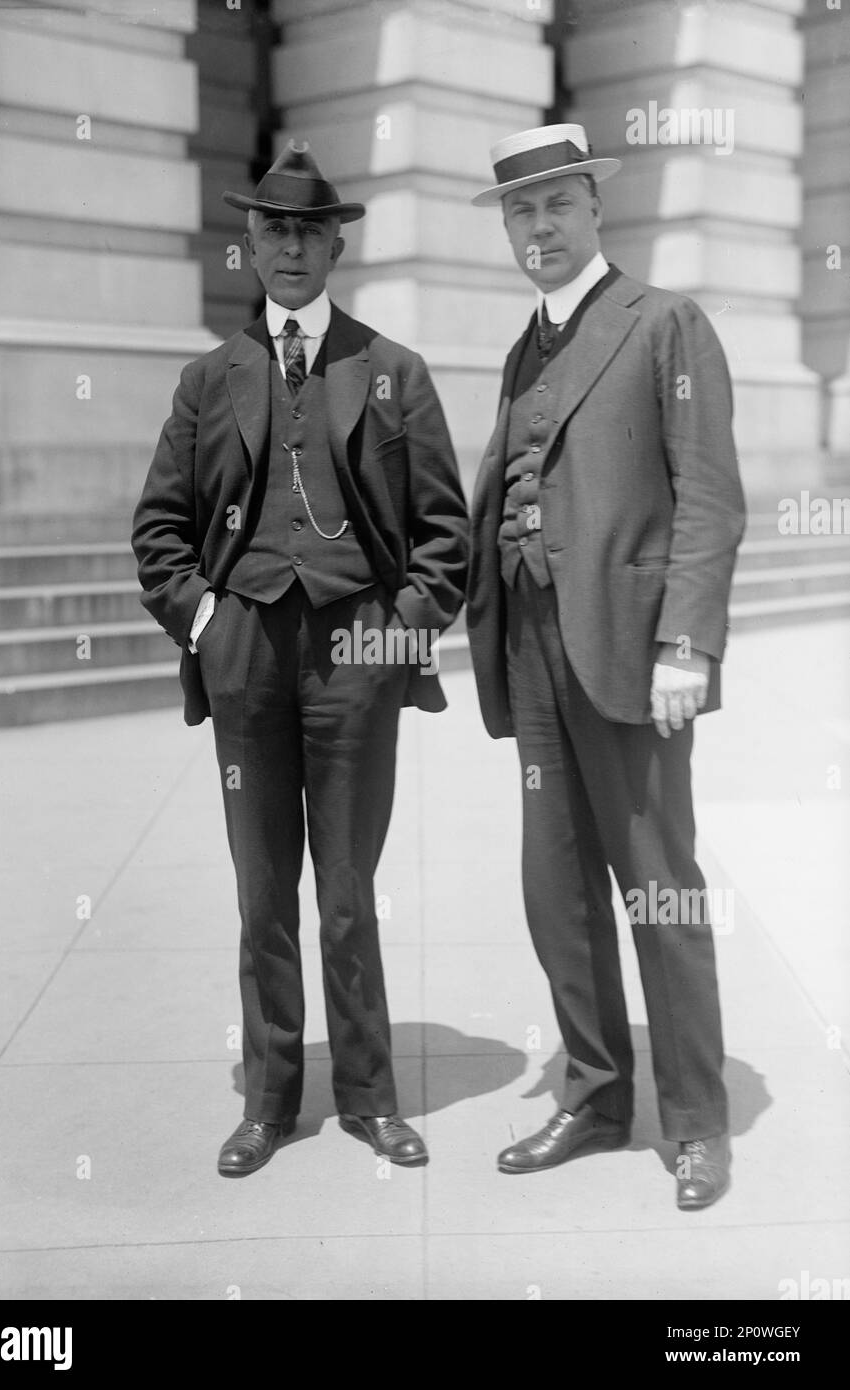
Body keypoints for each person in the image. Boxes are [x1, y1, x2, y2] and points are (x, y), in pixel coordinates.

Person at [133, 141, 468, 1176]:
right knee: (261, 890)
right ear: (249, 242)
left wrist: (396, 630)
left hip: (354, 657)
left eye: (308, 231)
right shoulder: (208, 380)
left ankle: (368, 1096)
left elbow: (444, 538)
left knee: (347, 890)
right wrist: (208, 624)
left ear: (335, 246)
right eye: (272, 229)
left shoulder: (391, 371)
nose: (289, 247)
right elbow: (158, 533)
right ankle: (270, 1100)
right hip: (245, 660)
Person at [467, 124, 746, 1209]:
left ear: (593, 206)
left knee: (658, 889)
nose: (536, 228)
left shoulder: (663, 323)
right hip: (531, 648)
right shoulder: (519, 349)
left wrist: (686, 640)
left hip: (629, 651)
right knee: (556, 890)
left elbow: (708, 497)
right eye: (516, 212)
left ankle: (693, 1121)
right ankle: (592, 1093)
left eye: (553, 205)